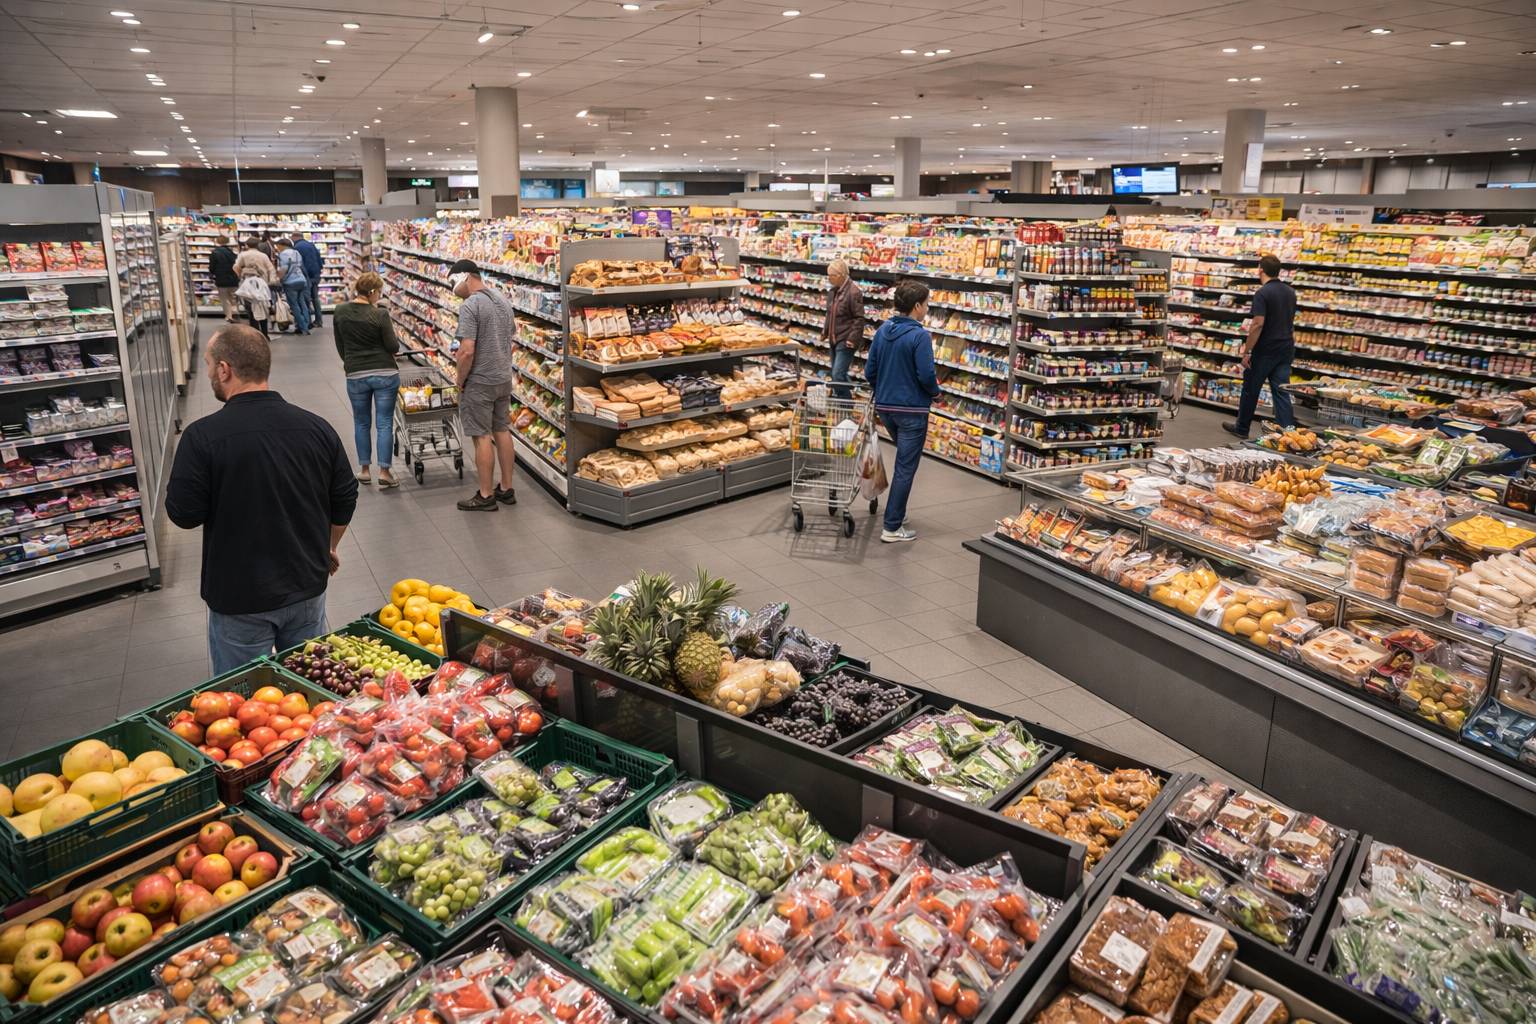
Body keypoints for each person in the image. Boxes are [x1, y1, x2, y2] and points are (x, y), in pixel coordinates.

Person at [165, 325, 358, 673]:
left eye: (209, 364)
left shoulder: (202, 437)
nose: (209, 372)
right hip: (306, 586)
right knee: (312, 686)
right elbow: (345, 495)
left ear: (225, 369)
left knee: (245, 703)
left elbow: (184, 514)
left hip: (240, 596)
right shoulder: (316, 427)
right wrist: (328, 546)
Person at [864, 278, 939, 544]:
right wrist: (934, 393)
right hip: (912, 411)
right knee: (906, 468)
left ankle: (898, 513)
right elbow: (927, 375)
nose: (928, 308)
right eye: (927, 303)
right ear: (917, 306)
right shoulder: (919, 336)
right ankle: (892, 527)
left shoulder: (883, 330)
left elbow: (869, 371)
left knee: (903, 464)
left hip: (886, 409)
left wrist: (884, 388)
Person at [449, 259, 518, 511]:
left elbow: (467, 351)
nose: (452, 290)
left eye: (452, 283)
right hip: (502, 378)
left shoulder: (471, 305)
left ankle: (486, 494)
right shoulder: (501, 299)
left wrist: (460, 380)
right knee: (502, 430)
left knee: (481, 437)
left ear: (465, 277)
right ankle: (507, 488)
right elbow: (512, 335)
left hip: (480, 381)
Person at [334, 271, 401, 488]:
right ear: (372, 292)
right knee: (384, 423)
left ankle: (364, 470)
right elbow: (393, 347)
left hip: (356, 374)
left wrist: (351, 362)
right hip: (385, 374)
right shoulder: (379, 314)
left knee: (361, 422)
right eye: (379, 292)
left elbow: (340, 344)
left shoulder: (340, 311)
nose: (379, 297)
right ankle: (384, 471)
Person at [1224, 253, 1297, 439]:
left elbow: (1258, 323)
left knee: (1250, 389)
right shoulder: (1290, 292)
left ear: (1261, 270)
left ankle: (1242, 428)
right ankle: (1289, 434)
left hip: (1265, 349)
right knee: (1281, 391)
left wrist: (1247, 350)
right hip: (1285, 348)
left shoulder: (1262, 293)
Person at [823, 258, 864, 400]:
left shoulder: (854, 292)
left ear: (841, 275)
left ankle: (846, 404)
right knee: (837, 373)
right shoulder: (833, 291)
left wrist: (852, 339)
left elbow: (859, 318)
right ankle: (850, 396)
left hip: (846, 340)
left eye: (831, 276)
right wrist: (825, 331)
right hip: (834, 338)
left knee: (837, 374)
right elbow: (830, 314)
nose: (828, 279)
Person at [232, 238, 275, 338]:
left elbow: (235, 267)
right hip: (262, 284)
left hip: (248, 284)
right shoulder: (263, 256)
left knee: (251, 309)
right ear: (258, 245)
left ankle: (255, 333)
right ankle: (265, 334)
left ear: (247, 245)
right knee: (263, 308)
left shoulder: (243, 255)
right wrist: (271, 281)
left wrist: (240, 275)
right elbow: (270, 269)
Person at [274, 238, 312, 335]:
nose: (277, 248)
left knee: (294, 305)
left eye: (278, 246)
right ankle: (306, 324)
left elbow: (284, 269)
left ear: (282, 245)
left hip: (290, 282)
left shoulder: (283, 254)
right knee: (302, 303)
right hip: (301, 280)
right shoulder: (296, 253)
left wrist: (278, 278)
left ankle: (303, 327)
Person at [292, 231, 325, 328]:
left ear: (294, 237)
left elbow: (299, 264)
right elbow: (319, 260)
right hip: (315, 275)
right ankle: (319, 320)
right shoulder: (311, 245)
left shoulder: (297, 248)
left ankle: (308, 321)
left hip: (306, 276)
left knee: (305, 299)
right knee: (315, 298)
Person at [207, 234, 239, 323]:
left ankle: (229, 316)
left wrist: (212, 273)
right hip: (233, 279)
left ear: (217, 242)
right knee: (233, 297)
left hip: (221, 279)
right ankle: (235, 311)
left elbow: (212, 267)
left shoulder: (215, 253)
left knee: (224, 298)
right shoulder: (232, 253)